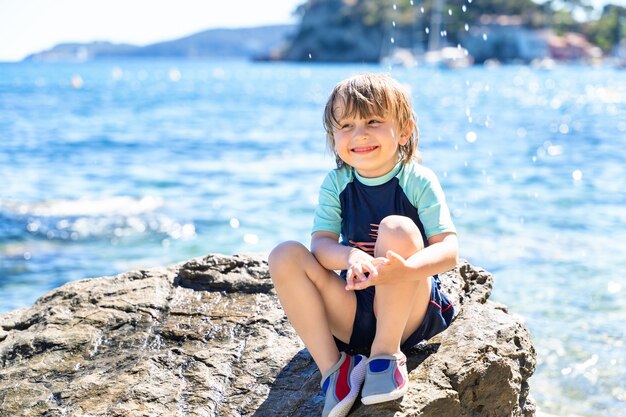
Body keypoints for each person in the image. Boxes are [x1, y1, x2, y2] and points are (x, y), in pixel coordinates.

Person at [268, 73, 458, 417]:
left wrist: (407, 270)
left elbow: (448, 250)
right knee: (284, 254)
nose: (360, 134)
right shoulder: (337, 183)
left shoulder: (417, 179)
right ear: (333, 136)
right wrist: (352, 255)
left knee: (397, 228)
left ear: (404, 130)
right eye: (347, 125)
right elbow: (322, 246)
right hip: (353, 312)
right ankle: (335, 369)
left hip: (408, 311)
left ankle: (386, 357)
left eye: (373, 121)